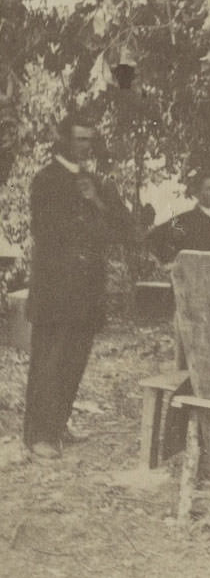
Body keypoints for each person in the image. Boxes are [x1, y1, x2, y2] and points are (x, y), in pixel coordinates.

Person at [24, 114, 134, 458]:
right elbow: (47, 233)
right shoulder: (45, 181)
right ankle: (38, 435)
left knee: (74, 360)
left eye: (90, 139)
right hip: (56, 290)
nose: (86, 145)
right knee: (48, 361)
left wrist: (95, 202)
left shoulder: (97, 183)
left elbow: (127, 230)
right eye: (80, 139)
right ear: (64, 141)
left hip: (88, 291)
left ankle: (58, 424)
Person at [148, 173, 210, 263]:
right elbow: (155, 238)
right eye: (209, 189)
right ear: (198, 192)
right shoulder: (186, 219)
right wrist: (169, 265)